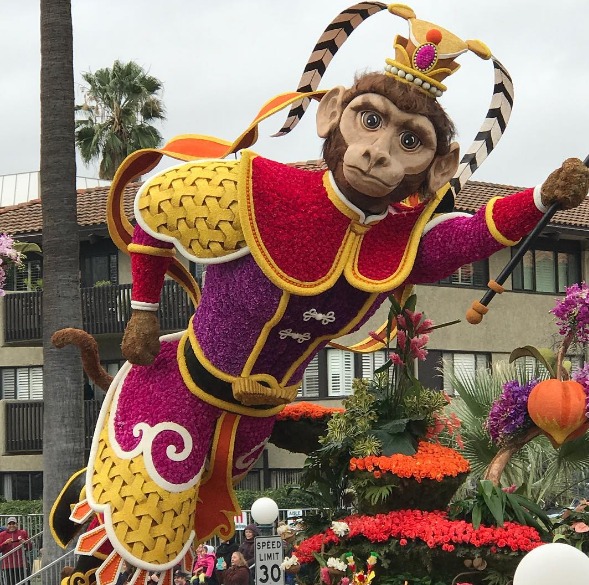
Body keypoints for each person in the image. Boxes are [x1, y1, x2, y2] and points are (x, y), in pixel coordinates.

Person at [0, 517, 31, 585]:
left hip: (22, 564)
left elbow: (30, 547)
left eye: (13, 523)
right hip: (8, 566)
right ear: (7, 525)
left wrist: (25, 542)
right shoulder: (2, 534)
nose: (12, 525)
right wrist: (5, 543)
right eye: (10, 524)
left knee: (25, 582)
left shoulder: (23, 532)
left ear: (16, 524)